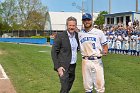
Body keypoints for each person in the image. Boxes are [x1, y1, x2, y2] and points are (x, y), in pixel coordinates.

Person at [78, 13, 108, 93]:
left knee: (100, 86)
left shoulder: (99, 32)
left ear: (91, 21)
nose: (87, 21)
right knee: (87, 87)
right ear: (82, 21)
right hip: (85, 61)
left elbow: (105, 45)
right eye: (85, 20)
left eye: (88, 19)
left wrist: (105, 51)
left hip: (97, 61)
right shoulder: (80, 34)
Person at [51, 16, 79, 93]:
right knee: (65, 87)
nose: (71, 27)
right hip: (63, 66)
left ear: (76, 26)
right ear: (67, 25)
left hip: (73, 66)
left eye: (73, 25)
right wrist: (58, 67)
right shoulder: (60, 36)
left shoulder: (77, 35)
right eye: (70, 25)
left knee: (68, 86)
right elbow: (53, 52)